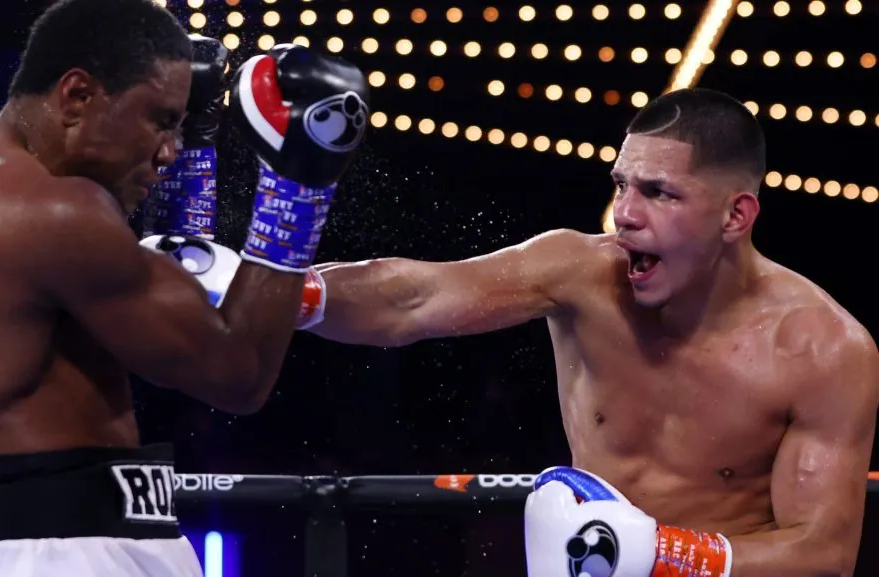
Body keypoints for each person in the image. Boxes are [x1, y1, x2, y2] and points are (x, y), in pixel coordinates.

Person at [188, 87, 878, 576]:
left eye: (659, 193)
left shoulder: (821, 348)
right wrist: (280, 287)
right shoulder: (582, 274)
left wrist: (667, 555)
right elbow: (415, 295)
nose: (626, 214)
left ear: (736, 216)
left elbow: (823, 550)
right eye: (621, 185)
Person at [0, 0, 368, 574]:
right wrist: (300, 182)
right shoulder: (56, 215)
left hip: (17, 540)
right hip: (71, 551)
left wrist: (189, 152)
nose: (169, 150)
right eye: (160, 122)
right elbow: (238, 373)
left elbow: (151, 265)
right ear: (77, 96)